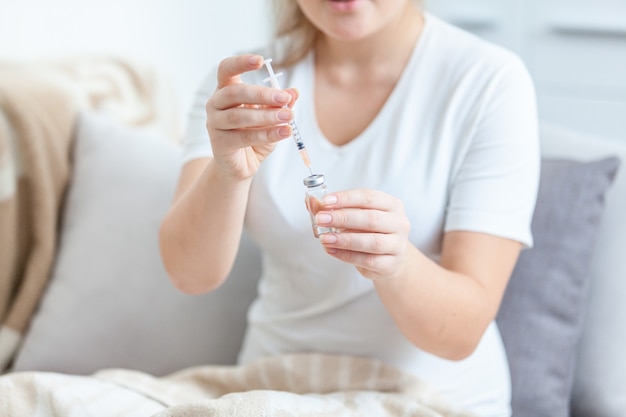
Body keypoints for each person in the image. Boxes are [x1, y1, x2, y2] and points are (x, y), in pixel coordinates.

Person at [159, 0, 540, 416]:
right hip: (274, 386)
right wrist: (228, 173)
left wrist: (396, 262)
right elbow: (189, 275)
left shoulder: (488, 82)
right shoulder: (243, 87)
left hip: (427, 396)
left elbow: (461, 334)